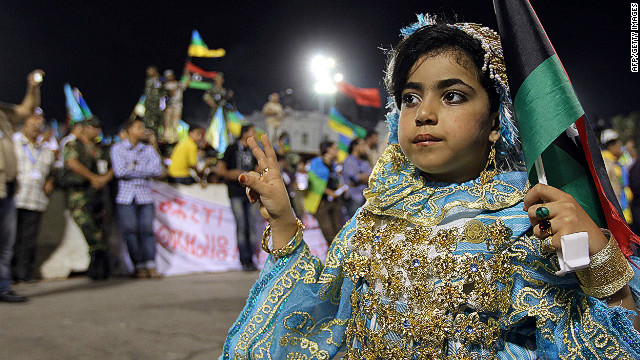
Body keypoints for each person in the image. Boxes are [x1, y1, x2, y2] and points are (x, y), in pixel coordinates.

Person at [221, 17, 640, 359]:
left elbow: (602, 342)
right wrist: (282, 221)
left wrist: (599, 262)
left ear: (496, 122)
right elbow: (320, 318)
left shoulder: (532, 218)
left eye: (453, 96)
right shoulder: (375, 215)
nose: (424, 113)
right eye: (410, 98)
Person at [0, 69, 42, 302]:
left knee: (5, 243)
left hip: (6, 186)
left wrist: (32, 86)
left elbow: (27, 109)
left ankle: (3, 287)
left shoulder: (3, 113)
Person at [110, 119, 163, 279]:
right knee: (130, 231)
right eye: (138, 127)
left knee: (147, 231)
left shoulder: (148, 149)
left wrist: (133, 168)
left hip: (145, 197)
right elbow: (120, 171)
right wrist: (144, 170)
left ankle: (151, 266)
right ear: (129, 130)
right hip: (126, 197)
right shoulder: (118, 148)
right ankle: (138, 266)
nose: (142, 130)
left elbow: (157, 169)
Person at [63, 116, 114, 280]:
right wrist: (93, 177)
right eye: (93, 127)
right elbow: (72, 163)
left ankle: (100, 267)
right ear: (84, 128)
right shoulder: (73, 145)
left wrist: (103, 179)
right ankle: (98, 258)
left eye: (98, 128)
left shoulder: (101, 148)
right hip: (80, 194)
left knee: (101, 228)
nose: (97, 131)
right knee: (88, 227)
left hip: (99, 195)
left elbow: (114, 166)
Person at [11, 110, 55, 283]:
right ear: (24, 124)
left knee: (29, 240)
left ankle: (24, 272)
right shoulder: (14, 143)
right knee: (11, 239)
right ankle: (8, 274)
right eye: (33, 122)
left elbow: (51, 171)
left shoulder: (45, 149)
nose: (37, 126)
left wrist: (50, 180)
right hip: (15, 198)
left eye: (40, 123)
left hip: (36, 199)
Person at [217, 124, 259, 271]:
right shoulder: (231, 148)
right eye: (252, 132)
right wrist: (233, 174)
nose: (255, 135)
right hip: (235, 192)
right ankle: (244, 260)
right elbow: (220, 169)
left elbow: (259, 169)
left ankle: (252, 259)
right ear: (244, 134)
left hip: (251, 192)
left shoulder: (254, 150)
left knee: (252, 226)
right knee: (241, 226)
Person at [307, 140, 346, 245]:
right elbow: (314, 181)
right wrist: (329, 192)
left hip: (335, 200)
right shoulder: (316, 162)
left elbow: (334, 179)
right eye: (335, 148)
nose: (337, 151)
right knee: (328, 231)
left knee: (339, 228)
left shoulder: (333, 165)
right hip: (321, 201)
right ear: (328, 149)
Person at [601, 129, 633, 223]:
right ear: (611, 146)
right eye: (617, 144)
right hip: (614, 210)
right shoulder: (605, 162)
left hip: (622, 207)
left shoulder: (615, 162)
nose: (620, 146)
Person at [342, 137, 372, 218]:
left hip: (364, 199)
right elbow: (355, 178)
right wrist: (362, 178)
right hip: (353, 198)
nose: (365, 148)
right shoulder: (349, 161)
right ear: (355, 146)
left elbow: (372, 176)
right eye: (362, 145)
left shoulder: (364, 162)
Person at [162, 69, 189, 144]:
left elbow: (187, 84)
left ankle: (174, 139)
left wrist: (187, 75)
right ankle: (166, 139)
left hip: (177, 105)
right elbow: (170, 93)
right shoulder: (165, 85)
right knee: (167, 123)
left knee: (175, 123)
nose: (168, 78)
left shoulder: (178, 84)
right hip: (169, 106)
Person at [142, 66, 165, 136]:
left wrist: (162, 104)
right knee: (147, 121)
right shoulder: (148, 80)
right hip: (148, 105)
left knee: (157, 122)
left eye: (149, 70)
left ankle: (156, 136)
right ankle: (148, 136)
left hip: (157, 105)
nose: (148, 72)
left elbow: (164, 92)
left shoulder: (161, 79)